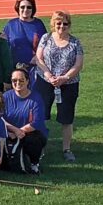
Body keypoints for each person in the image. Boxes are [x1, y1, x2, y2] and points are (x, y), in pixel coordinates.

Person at [36, 12, 84, 162]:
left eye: (65, 24)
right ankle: (40, 146)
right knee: (41, 115)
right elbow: (38, 58)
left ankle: (66, 148)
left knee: (66, 118)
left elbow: (78, 64)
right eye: (58, 23)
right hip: (46, 82)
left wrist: (64, 78)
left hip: (68, 84)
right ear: (53, 24)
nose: (61, 26)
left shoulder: (75, 42)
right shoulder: (46, 38)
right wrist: (48, 75)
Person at [1, 69, 47, 174]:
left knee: (35, 139)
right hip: (9, 132)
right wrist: (12, 130)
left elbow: (36, 122)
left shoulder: (36, 98)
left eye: (21, 80)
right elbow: (0, 117)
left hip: (29, 133)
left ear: (27, 81)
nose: (17, 83)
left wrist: (18, 132)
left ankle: (34, 163)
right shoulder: (5, 97)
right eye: (14, 80)